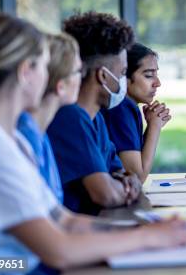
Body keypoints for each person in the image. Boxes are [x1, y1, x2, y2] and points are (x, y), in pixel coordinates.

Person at [0, 15, 186, 275]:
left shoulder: (12, 141)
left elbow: (64, 220)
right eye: (45, 66)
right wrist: (147, 240)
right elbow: (58, 250)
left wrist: (145, 232)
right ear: (26, 73)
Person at [47, 11, 142, 215]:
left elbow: (121, 172)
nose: (124, 81)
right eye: (123, 73)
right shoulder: (70, 117)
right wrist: (124, 189)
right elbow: (105, 194)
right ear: (103, 76)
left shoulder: (96, 118)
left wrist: (127, 181)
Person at [17, 33, 82, 203]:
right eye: (78, 71)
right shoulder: (25, 136)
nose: (82, 77)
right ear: (60, 86)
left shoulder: (39, 132)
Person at [103, 43, 170, 183]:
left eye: (156, 74)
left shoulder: (126, 106)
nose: (157, 83)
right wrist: (154, 126)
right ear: (124, 77)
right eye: (149, 75)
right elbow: (137, 178)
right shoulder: (122, 108)